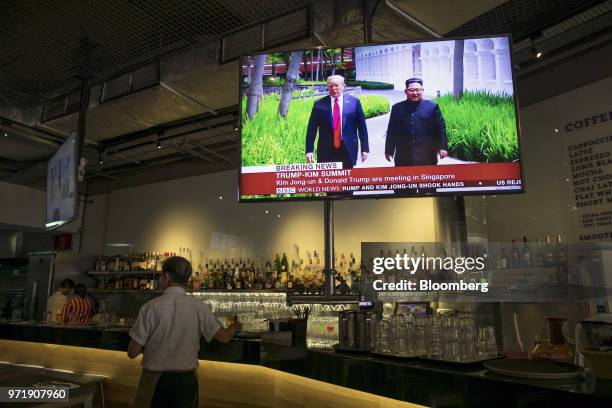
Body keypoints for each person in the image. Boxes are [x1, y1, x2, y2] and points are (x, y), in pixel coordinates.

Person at [128, 256, 241, 408]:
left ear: (167, 276)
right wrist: (234, 327)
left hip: (155, 380)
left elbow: (132, 352)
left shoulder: (150, 307)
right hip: (186, 380)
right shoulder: (199, 307)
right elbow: (225, 337)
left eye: (161, 276)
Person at [305, 75, 369, 169]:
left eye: (336, 85)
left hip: (348, 148)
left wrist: (365, 149)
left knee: (347, 179)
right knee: (329, 180)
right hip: (326, 150)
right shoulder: (319, 104)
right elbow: (311, 129)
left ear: (343, 86)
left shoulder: (354, 102)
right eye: (330, 86)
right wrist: (309, 151)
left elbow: (362, 127)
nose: (334, 88)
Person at [385, 78, 448, 166]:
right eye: (411, 90)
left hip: (427, 156)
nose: (415, 93)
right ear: (405, 91)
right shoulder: (397, 108)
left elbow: (440, 128)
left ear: (423, 90)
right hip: (403, 157)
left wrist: (442, 147)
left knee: (427, 179)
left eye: (418, 90)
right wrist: (389, 150)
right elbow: (392, 131)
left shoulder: (432, 107)